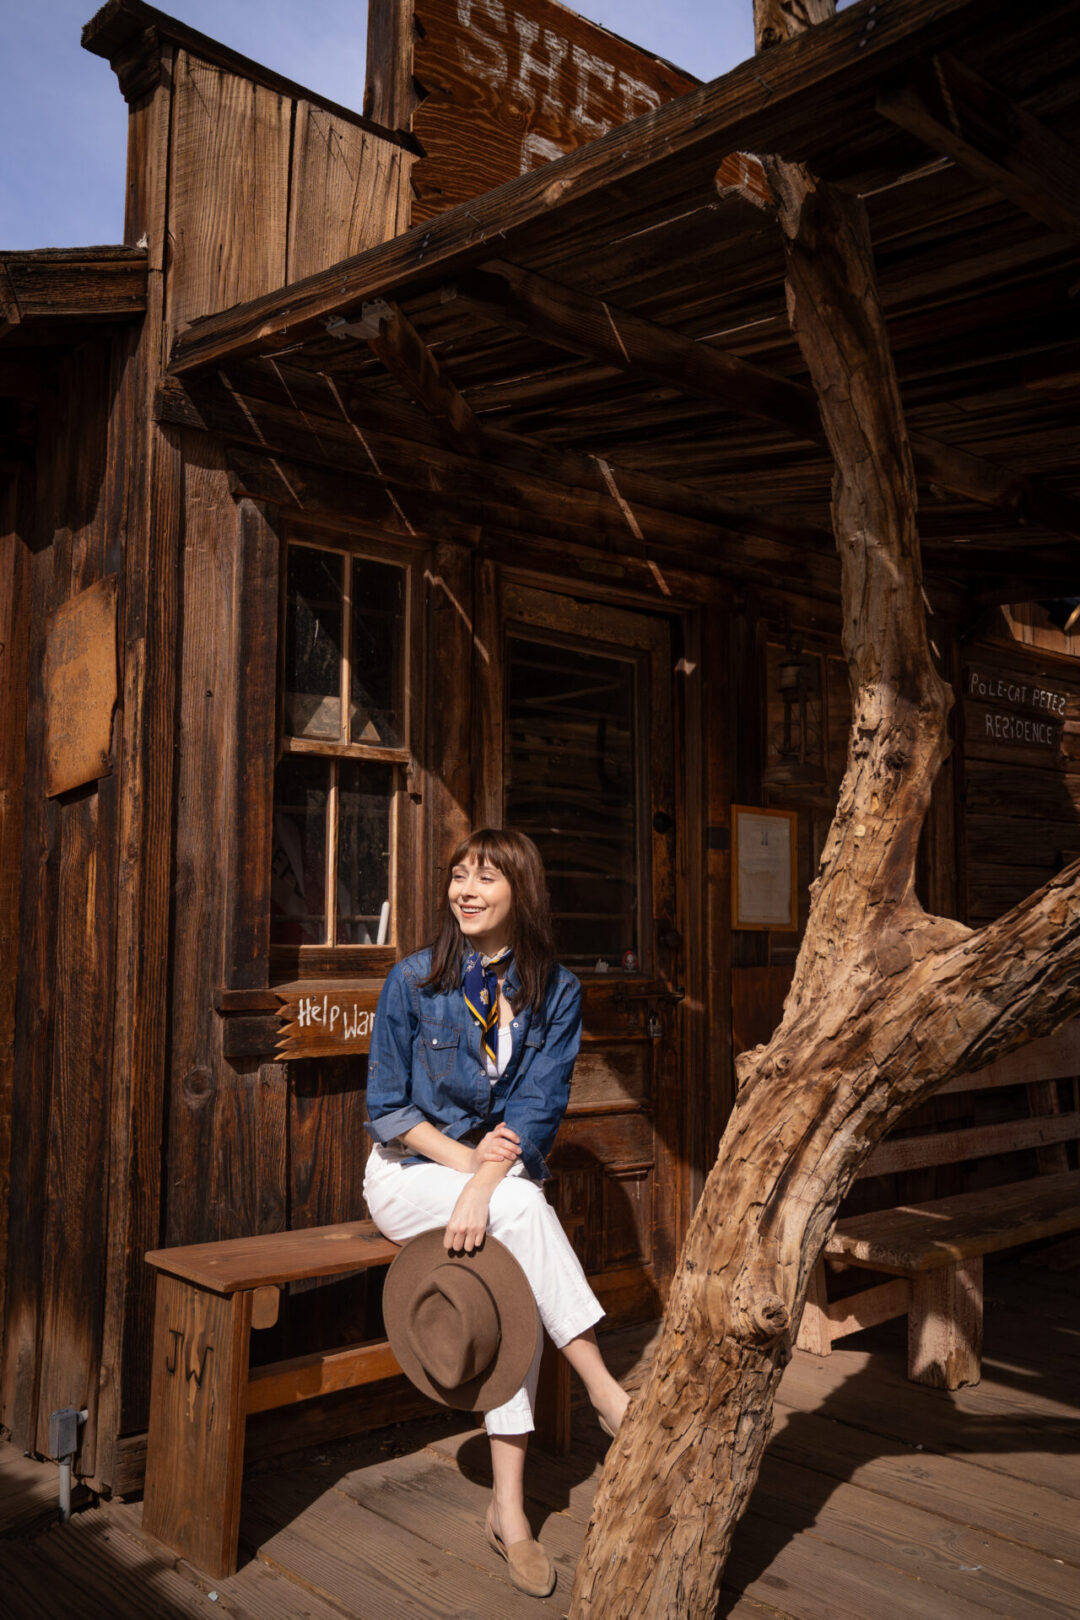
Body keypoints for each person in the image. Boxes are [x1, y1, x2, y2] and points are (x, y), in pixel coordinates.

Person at [363, 827, 629, 1597]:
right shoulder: (413, 981)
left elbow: (537, 1111)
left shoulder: (556, 991)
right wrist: (474, 1173)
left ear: (521, 889)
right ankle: (605, 1390)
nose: (466, 891)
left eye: (485, 877)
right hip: (408, 1175)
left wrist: (485, 1185)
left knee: (510, 1244)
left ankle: (509, 1509)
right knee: (519, 1208)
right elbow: (388, 1111)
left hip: (496, 1187)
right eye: (458, 876)